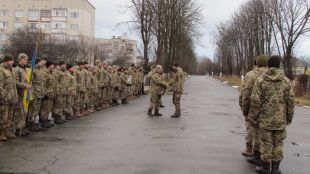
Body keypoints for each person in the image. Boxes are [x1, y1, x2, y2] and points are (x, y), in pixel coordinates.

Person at [249, 56, 295, 174]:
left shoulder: (261, 80)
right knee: (278, 143)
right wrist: (289, 118)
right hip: (280, 120)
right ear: (279, 65)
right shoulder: (285, 81)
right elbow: (290, 101)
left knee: (266, 143)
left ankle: (265, 168)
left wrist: (253, 117)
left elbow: (255, 101)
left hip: (265, 119)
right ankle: (275, 169)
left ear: (268, 65)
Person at [239, 54, 269, 160]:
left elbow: (245, 92)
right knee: (266, 132)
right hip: (268, 110)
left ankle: (249, 149)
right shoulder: (270, 74)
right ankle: (264, 153)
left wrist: (244, 108)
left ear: (256, 63)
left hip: (252, 107)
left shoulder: (250, 75)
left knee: (250, 128)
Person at [0, 55, 18, 141]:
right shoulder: (1, 70)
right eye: (11, 60)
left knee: (9, 116)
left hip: (12, 97)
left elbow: (14, 85)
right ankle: (1, 133)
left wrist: (15, 95)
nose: (13, 62)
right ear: (6, 61)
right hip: (5, 98)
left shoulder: (12, 70)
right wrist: (2, 96)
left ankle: (7, 132)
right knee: (3, 116)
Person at [14, 53, 31, 136]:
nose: (26, 61)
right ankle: (18, 129)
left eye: (26, 59)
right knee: (19, 112)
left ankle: (22, 127)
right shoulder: (16, 70)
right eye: (24, 59)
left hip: (25, 94)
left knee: (24, 111)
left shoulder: (26, 70)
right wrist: (25, 85)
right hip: (19, 94)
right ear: (20, 59)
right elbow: (16, 82)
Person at [41, 61, 56, 128]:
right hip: (46, 93)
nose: (54, 66)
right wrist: (44, 93)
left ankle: (47, 120)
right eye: (53, 65)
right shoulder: (45, 73)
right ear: (49, 66)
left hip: (51, 93)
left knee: (49, 108)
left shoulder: (51, 73)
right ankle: (43, 121)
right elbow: (43, 84)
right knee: (45, 108)